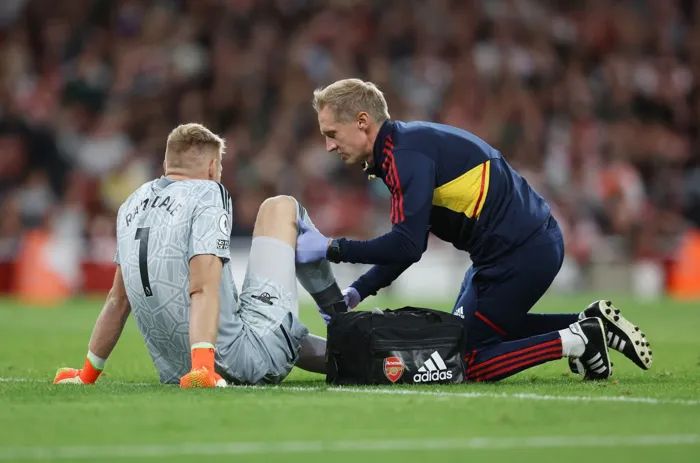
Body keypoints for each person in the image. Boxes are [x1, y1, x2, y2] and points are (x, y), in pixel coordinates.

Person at [296, 78, 652, 380]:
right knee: (472, 332)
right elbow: (410, 244)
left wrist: (332, 248)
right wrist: (359, 289)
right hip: (513, 250)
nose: (329, 146)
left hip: (520, 254)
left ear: (362, 121)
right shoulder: (402, 149)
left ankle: (579, 340)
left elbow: (407, 245)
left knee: (465, 359)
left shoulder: (405, 156)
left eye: (332, 133)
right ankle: (588, 322)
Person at [53, 123, 343, 388]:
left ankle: (354, 355)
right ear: (213, 167)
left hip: (176, 370)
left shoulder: (131, 204)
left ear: (167, 164)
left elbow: (117, 300)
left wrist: (86, 374)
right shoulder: (208, 192)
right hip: (231, 361)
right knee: (280, 206)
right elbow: (202, 287)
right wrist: (203, 368)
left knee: (273, 325)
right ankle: (340, 317)